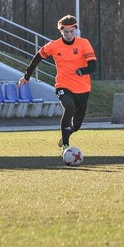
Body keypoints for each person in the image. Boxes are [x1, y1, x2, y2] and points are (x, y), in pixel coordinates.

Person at [19, 15, 97, 153]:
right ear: (61, 31)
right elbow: (38, 57)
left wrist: (82, 71)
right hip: (63, 85)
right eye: (65, 32)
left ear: (75, 30)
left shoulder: (84, 43)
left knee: (77, 125)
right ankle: (66, 147)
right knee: (69, 107)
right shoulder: (54, 45)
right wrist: (26, 76)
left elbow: (93, 66)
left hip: (83, 88)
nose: (68, 34)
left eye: (71, 31)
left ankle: (67, 133)